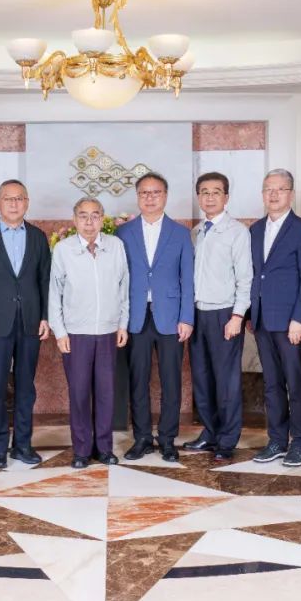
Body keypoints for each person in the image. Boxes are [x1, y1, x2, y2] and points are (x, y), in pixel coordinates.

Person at [0, 179, 51, 469]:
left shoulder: (38, 237)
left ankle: (23, 445)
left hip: (30, 323)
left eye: (19, 198)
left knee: (26, 387)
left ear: (27, 203)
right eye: (8, 198)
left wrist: (45, 316)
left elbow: (45, 280)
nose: (14, 204)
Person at [117, 172, 194, 463]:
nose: (150, 198)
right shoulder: (123, 233)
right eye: (144, 193)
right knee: (138, 380)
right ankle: (142, 438)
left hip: (171, 318)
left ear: (165, 196)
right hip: (135, 317)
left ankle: (167, 439)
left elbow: (187, 279)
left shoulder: (180, 233)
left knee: (171, 381)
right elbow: (119, 279)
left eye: (156, 192)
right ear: (138, 197)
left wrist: (187, 318)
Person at [246, 168, 301, 466]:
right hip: (262, 320)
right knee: (271, 383)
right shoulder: (255, 230)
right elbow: (254, 275)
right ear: (263, 194)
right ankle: (276, 440)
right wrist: (250, 313)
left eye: (280, 189)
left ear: (291, 193)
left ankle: (300, 442)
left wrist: (299, 319)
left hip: (291, 322)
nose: (273, 194)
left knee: (295, 382)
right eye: (268, 189)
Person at [49, 198, 129, 468]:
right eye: (83, 216)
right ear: (74, 220)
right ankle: (82, 450)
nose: (89, 222)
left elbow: (124, 287)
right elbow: (54, 293)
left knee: (106, 393)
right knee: (79, 393)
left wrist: (123, 324)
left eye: (95, 216)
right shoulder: (64, 249)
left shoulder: (115, 246)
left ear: (102, 219)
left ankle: (104, 448)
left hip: (107, 331)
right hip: (76, 333)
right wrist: (60, 332)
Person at [182, 172, 252, 461]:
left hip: (224, 314)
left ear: (226, 197)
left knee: (226, 381)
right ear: (198, 196)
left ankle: (227, 439)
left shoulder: (237, 232)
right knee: (202, 378)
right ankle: (209, 433)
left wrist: (237, 316)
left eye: (216, 192)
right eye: (204, 192)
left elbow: (245, 278)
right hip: (197, 314)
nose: (209, 197)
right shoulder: (196, 232)